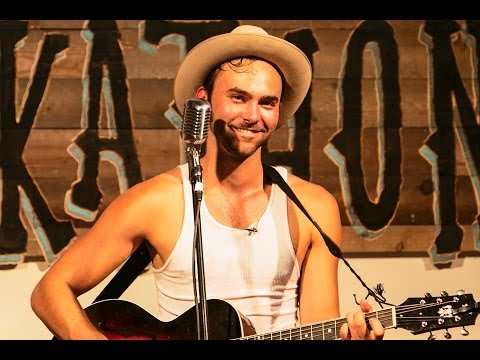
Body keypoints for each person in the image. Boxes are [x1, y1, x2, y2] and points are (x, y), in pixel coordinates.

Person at [31, 24, 385, 341]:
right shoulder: (157, 201)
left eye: (267, 102)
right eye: (238, 97)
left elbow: (318, 326)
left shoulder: (313, 207)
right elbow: (49, 291)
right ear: (204, 100)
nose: (252, 115)